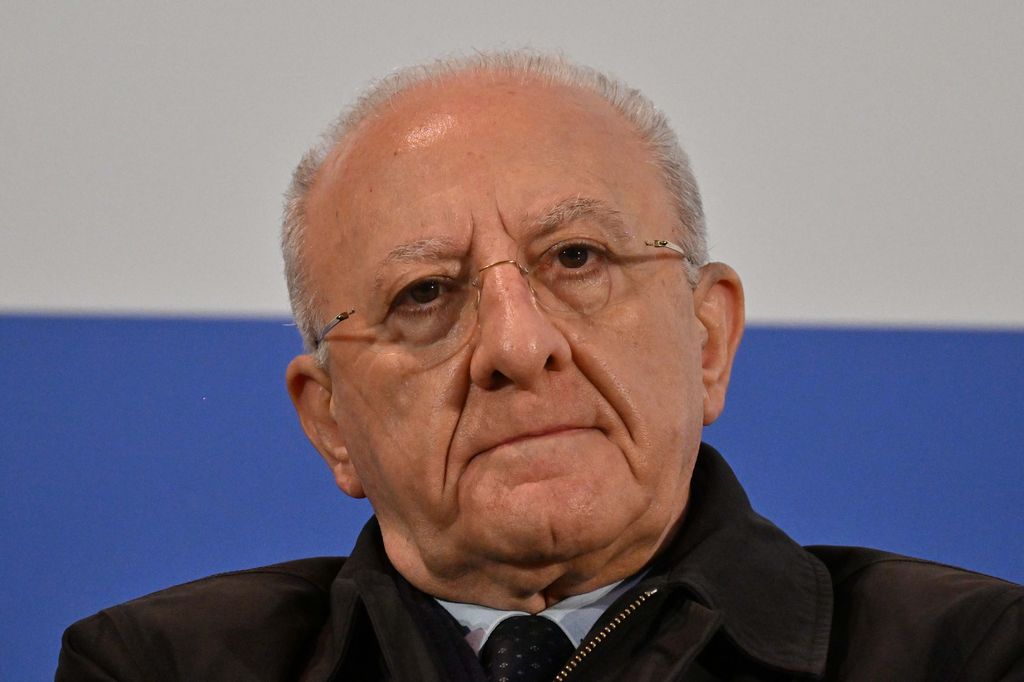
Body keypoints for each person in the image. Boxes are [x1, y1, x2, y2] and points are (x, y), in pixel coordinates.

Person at [56, 51, 1022, 681]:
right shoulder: (159, 665)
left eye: (577, 258)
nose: (518, 347)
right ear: (330, 421)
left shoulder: (969, 655)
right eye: (425, 293)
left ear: (707, 339)